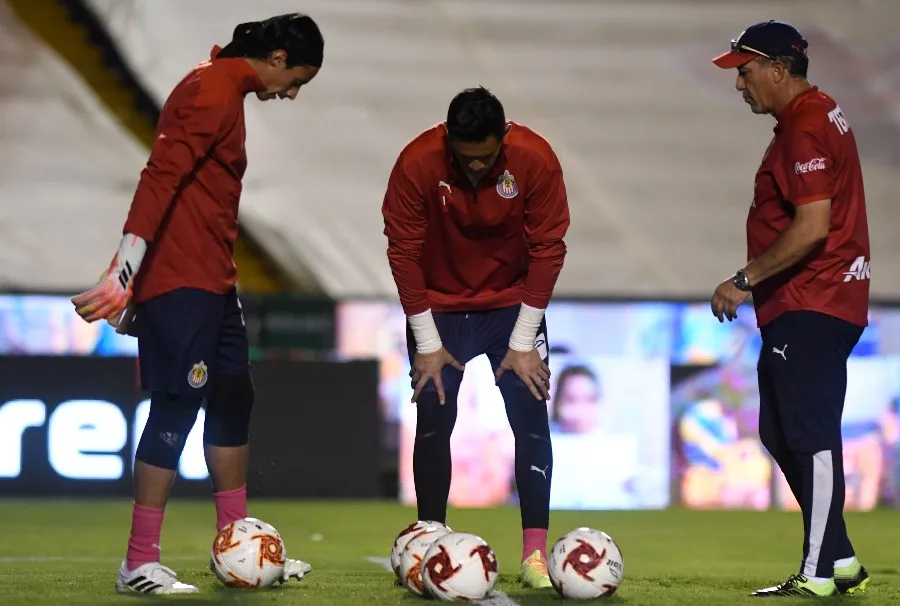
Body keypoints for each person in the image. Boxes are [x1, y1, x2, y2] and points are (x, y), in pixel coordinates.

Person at [71, 13, 324, 595]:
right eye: (297, 81)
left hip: (213, 279)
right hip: (182, 277)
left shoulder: (220, 88)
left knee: (234, 394)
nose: (289, 94)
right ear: (279, 58)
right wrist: (126, 272)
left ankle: (239, 546)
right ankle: (138, 562)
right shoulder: (211, 89)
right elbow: (160, 176)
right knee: (178, 404)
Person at [382, 86, 569, 588]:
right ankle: (429, 540)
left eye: (487, 159)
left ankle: (533, 557)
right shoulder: (417, 162)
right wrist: (425, 341)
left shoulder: (535, 159)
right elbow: (403, 252)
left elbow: (549, 249)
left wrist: (525, 338)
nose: (476, 169)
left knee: (531, 419)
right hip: (439, 308)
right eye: (465, 160)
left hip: (511, 306)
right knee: (434, 418)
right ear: (448, 141)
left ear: (504, 140)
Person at [709, 20, 871, 597]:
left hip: (814, 299)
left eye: (746, 73)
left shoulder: (803, 127)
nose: (740, 86)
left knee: (810, 434)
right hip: (811, 301)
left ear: (779, 69)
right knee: (780, 432)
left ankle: (818, 572)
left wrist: (742, 279)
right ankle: (841, 556)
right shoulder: (817, 113)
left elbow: (811, 227)